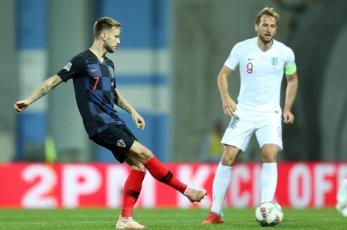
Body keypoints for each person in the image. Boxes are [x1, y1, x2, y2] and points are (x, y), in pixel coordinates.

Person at [14, 17, 207, 230]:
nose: (119, 41)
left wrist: (133, 111)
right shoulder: (81, 61)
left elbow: (113, 93)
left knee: (138, 166)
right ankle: (186, 191)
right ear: (103, 35)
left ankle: (125, 220)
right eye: (116, 36)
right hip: (100, 124)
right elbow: (53, 81)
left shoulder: (109, 64)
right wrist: (29, 100)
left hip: (114, 121)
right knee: (145, 153)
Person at [202, 7, 298, 224]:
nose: (268, 29)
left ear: (276, 29)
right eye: (264, 24)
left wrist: (287, 108)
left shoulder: (285, 53)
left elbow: (292, 80)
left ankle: (265, 207)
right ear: (256, 26)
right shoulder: (242, 48)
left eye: (272, 26)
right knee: (227, 156)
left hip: (270, 113)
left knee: (269, 154)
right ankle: (216, 212)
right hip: (244, 111)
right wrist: (226, 98)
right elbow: (223, 75)